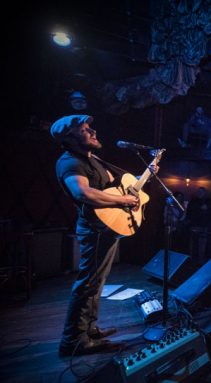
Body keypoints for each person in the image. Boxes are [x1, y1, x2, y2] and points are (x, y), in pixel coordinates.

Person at [51, 115, 158, 356]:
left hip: (105, 228)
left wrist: (146, 176)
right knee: (88, 282)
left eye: (90, 127)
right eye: (85, 129)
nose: (93, 131)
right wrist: (124, 200)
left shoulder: (93, 159)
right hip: (94, 229)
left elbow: (119, 186)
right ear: (70, 138)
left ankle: (88, 329)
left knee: (96, 282)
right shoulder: (70, 162)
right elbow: (84, 194)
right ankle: (73, 341)